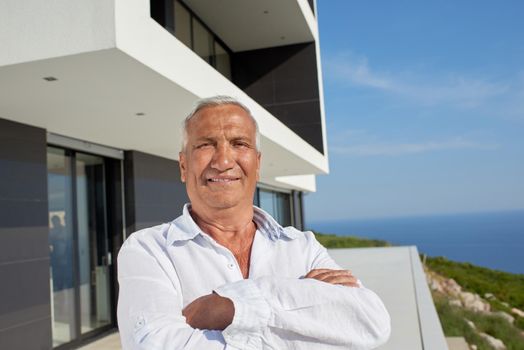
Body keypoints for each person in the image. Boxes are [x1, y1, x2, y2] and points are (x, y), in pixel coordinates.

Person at [117, 96, 391, 349]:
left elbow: (371, 322)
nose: (223, 160)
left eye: (239, 143)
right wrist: (300, 304)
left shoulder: (302, 246)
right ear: (183, 166)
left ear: (257, 164)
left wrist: (230, 307)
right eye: (205, 144)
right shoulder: (149, 250)